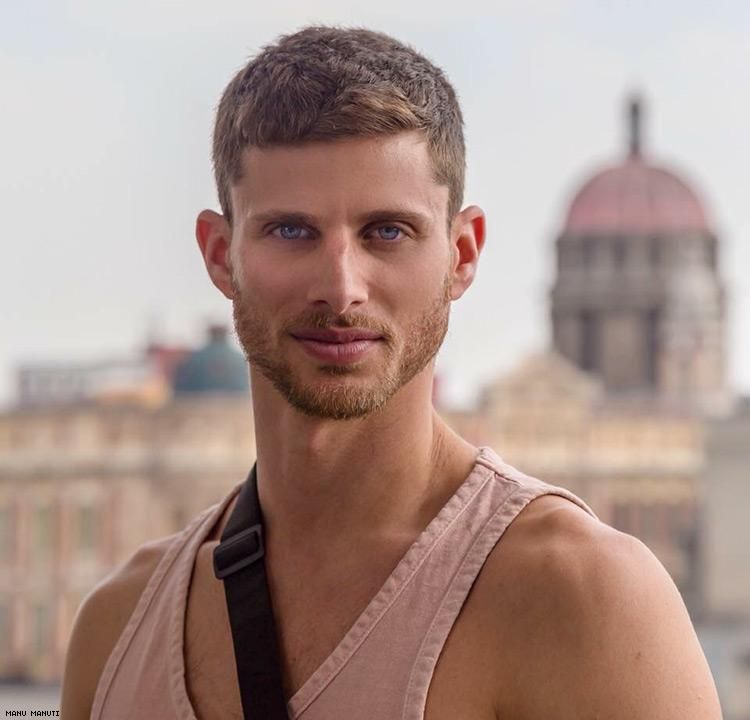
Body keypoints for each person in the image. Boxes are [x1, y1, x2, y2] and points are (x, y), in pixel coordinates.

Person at [60, 25, 722, 720]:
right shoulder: (114, 631)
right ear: (220, 255)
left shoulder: (586, 598)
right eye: (291, 230)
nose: (341, 288)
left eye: (387, 232)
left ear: (463, 254)